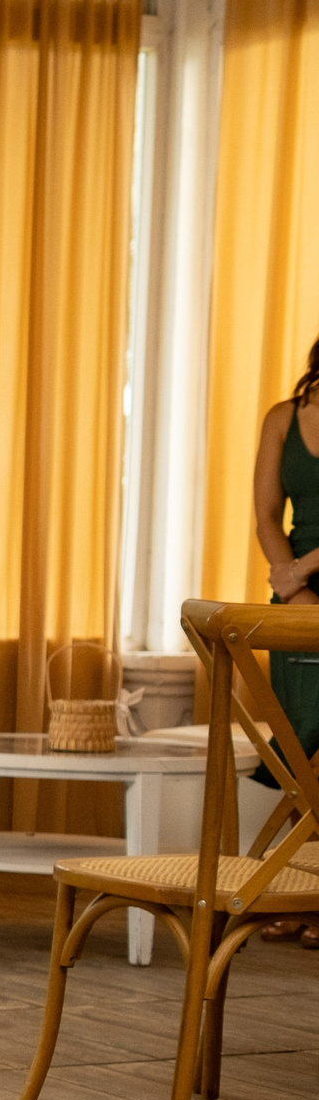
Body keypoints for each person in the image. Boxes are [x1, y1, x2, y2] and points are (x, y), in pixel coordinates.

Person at [251, 338, 319, 944]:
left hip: (304, 575)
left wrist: (303, 570)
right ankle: (303, 892)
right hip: (295, 595)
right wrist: (291, 583)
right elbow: (268, 515)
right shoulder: (283, 417)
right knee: (299, 745)